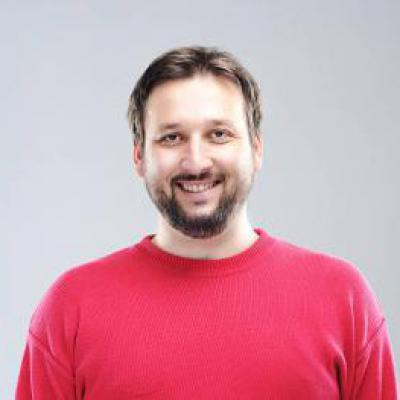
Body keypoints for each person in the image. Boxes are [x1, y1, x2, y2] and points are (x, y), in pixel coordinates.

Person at [15, 46, 398, 399]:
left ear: (256, 149)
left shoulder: (343, 299)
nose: (196, 161)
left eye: (219, 134)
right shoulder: (72, 309)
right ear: (139, 157)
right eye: (172, 138)